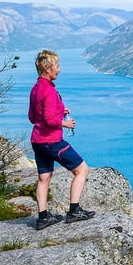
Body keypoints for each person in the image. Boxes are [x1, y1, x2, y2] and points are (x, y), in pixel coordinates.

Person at [28, 49, 95, 230]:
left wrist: (59, 111)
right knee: (82, 170)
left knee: (44, 178)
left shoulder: (36, 89)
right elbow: (49, 120)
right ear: (48, 69)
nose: (59, 70)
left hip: (37, 140)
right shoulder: (48, 90)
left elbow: (33, 118)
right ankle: (74, 211)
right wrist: (65, 124)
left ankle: (43, 217)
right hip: (52, 141)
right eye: (57, 66)